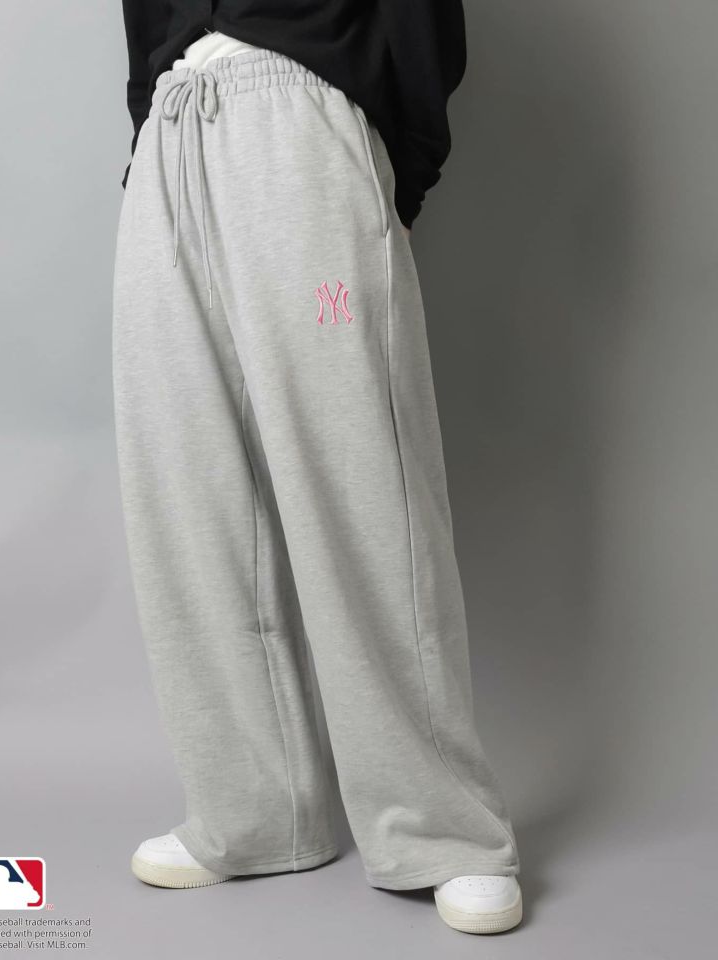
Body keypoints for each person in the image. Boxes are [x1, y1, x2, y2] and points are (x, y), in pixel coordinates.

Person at [113, 2, 522, 936]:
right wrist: (148, 133)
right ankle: (255, 814)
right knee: (186, 492)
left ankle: (446, 832)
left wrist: (396, 167)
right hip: (172, 133)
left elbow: (423, 18)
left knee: (361, 487)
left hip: (299, 120)